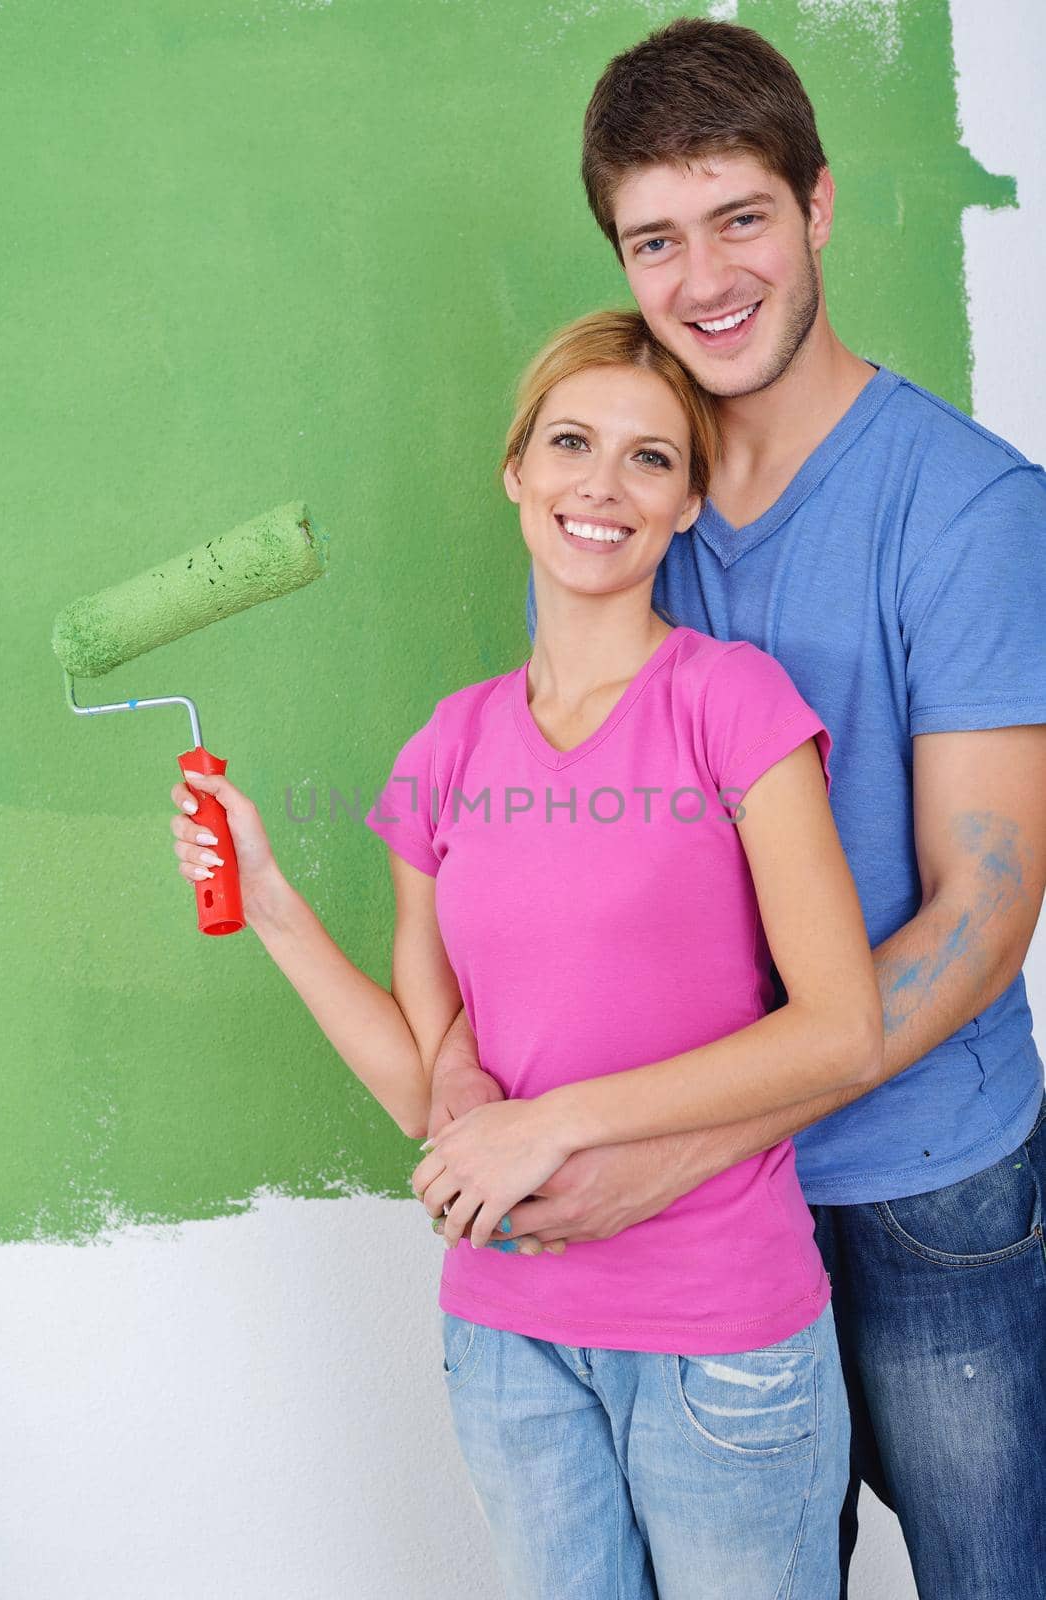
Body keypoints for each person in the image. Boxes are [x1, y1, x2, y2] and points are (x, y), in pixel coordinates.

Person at [426, 17, 1046, 1599]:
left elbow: (981, 919)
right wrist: (451, 1060)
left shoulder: (968, 510)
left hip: (921, 1188)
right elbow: (549, 856)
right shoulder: (627, 496)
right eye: (656, 238)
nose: (705, 277)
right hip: (696, 1237)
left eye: (742, 218)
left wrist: (683, 1142)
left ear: (820, 207)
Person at [169, 308, 882, 1598]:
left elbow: (843, 1027)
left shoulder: (732, 703)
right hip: (508, 1340)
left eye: (650, 459)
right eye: (571, 442)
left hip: (721, 1338)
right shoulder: (445, 749)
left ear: (687, 505)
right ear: (518, 471)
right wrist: (270, 897)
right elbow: (431, 1072)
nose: (601, 486)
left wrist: (551, 1125)